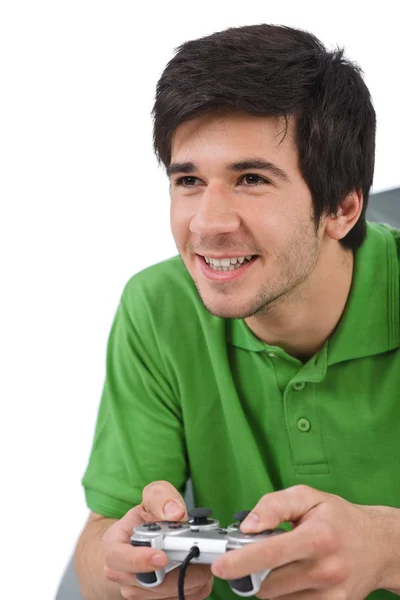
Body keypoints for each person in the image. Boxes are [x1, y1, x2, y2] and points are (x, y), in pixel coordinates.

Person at [74, 22, 400, 600]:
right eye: (189, 180)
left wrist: (387, 550)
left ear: (343, 208)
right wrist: (123, 567)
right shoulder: (158, 308)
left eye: (251, 179)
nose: (207, 224)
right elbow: (97, 550)